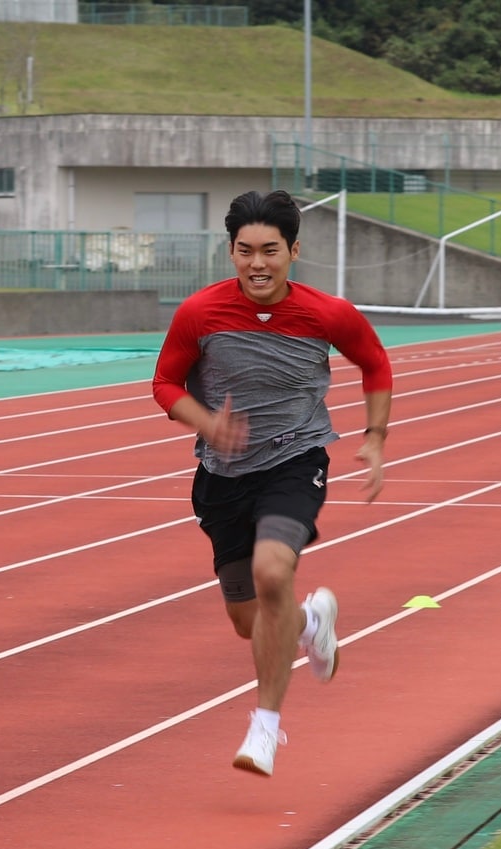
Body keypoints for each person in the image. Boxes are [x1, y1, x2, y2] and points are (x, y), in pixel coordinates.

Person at [151, 189, 393, 777]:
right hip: (223, 476)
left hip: (296, 461)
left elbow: (376, 364)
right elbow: (164, 384)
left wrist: (375, 436)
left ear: (293, 252)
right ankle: (311, 623)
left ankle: (266, 726)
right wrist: (207, 422)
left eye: (270, 251)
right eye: (244, 251)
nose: (257, 263)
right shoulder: (200, 314)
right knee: (249, 621)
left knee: (272, 571)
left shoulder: (327, 314)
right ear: (231, 252)